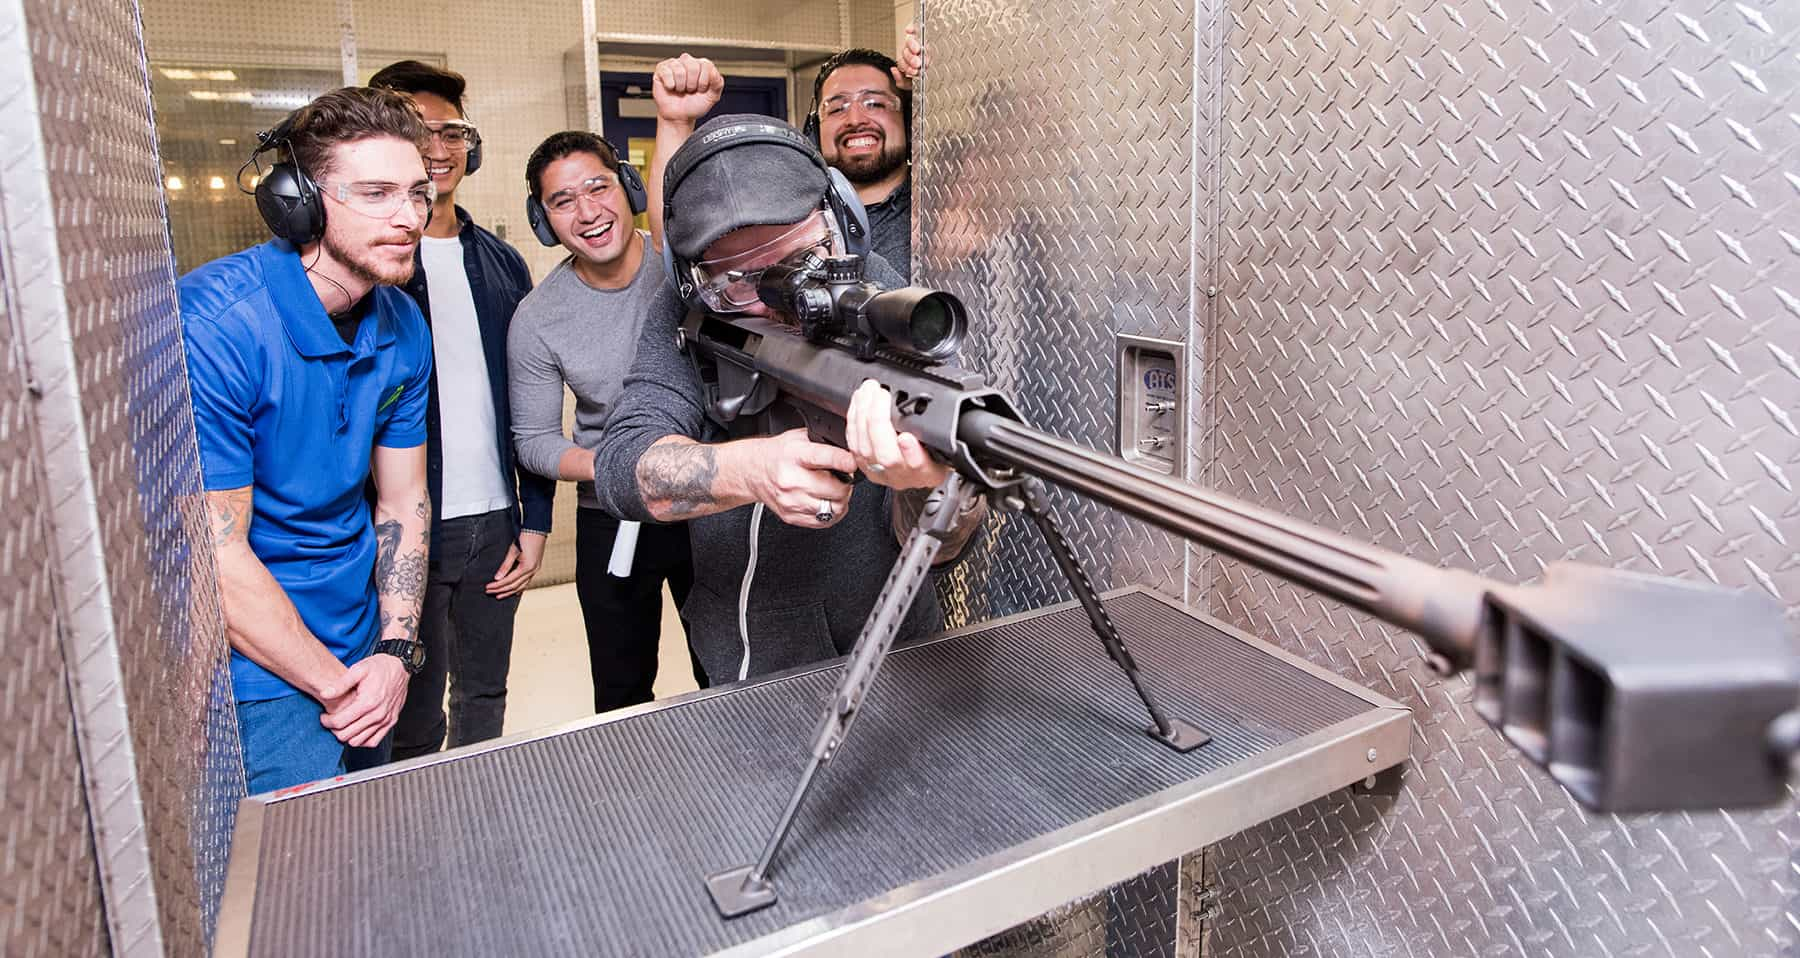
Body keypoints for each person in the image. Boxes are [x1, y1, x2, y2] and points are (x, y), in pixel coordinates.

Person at [592, 113, 984, 683]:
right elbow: (623, 469)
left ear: (840, 222)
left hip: (897, 641)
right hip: (753, 657)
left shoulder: (874, 290)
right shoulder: (686, 312)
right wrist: (748, 471)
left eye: (804, 256)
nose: (784, 296)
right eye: (741, 280)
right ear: (695, 278)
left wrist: (925, 487)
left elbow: (939, 546)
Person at [181, 86, 434, 793]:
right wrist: (340, 688)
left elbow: (403, 500)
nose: (409, 217)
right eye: (376, 194)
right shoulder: (218, 325)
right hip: (264, 666)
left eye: (417, 193)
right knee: (299, 884)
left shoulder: (404, 325)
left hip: (366, 647)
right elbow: (218, 553)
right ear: (300, 201)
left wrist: (394, 652)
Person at [366, 60, 553, 760]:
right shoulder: (372, 263)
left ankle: (478, 808)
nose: (438, 147)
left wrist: (534, 520)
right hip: (401, 525)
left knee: (484, 693)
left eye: (451, 131)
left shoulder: (503, 264)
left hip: (492, 522)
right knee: (410, 710)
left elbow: (530, 404)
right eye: (417, 131)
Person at [507, 130, 703, 712]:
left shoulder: (687, 272)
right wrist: (622, 466)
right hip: (611, 517)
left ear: (630, 188)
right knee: (621, 692)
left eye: (599, 187)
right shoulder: (538, 318)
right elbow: (534, 440)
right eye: (563, 201)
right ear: (543, 221)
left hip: (711, 508)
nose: (588, 212)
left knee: (729, 668)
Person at [647, 33, 922, 274]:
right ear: (814, 130)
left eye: (875, 103)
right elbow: (672, 243)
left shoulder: (940, 205)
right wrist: (675, 122)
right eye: (837, 108)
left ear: (908, 119)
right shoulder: (784, 203)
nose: (855, 119)